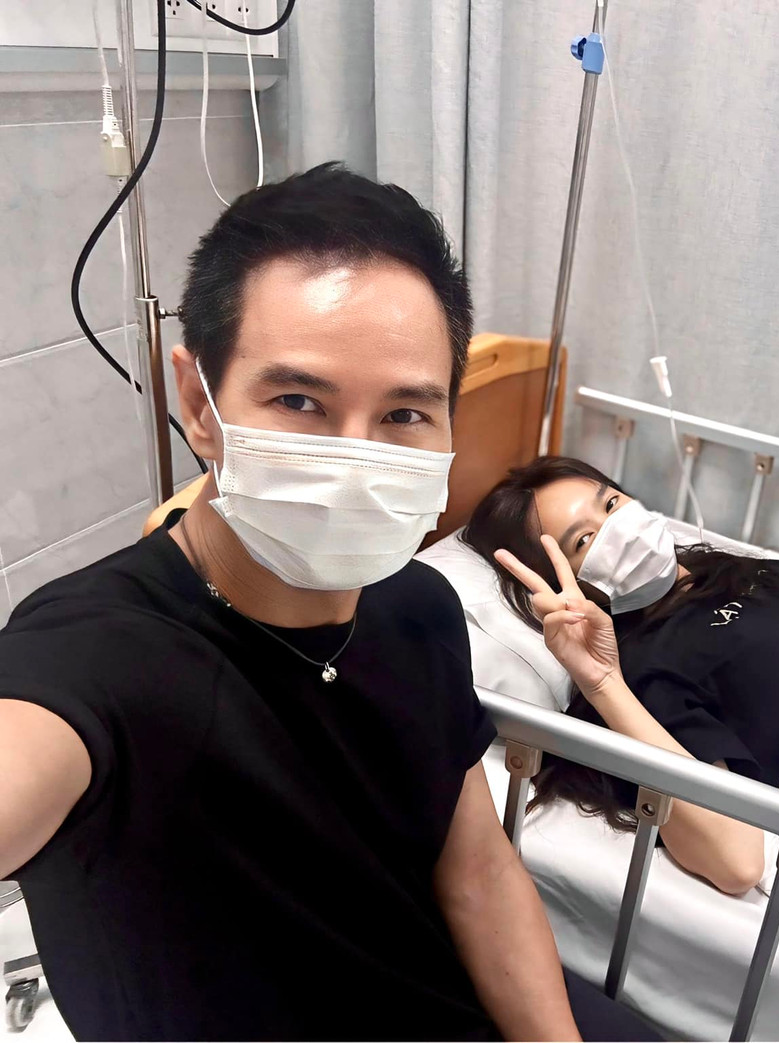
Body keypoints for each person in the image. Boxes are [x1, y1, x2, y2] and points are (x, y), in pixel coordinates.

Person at [0, 166, 655, 1040]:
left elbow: (477, 870)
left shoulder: (419, 607)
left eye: (405, 414)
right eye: (299, 400)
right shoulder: (92, 655)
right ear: (199, 403)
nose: (356, 456)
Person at [463, 457, 779, 895]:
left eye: (610, 504)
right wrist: (603, 684)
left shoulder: (724, 567)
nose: (618, 529)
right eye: (584, 541)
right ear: (559, 582)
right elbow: (736, 863)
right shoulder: (647, 666)